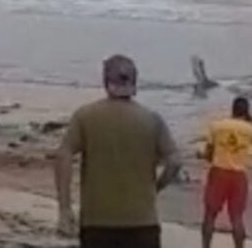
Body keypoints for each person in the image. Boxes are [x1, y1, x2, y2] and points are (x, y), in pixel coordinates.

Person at [54, 55, 181, 248]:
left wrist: (65, 208)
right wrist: (156, 187)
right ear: (134, 82)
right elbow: (174, 161)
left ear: (106, 82)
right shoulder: (152, 119)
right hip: (142, 222)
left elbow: (63, 155)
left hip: (97, 222)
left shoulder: (85, 116)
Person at [202, 96, 252, 248]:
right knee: (237, 218)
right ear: (247, 112)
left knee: (210, 215)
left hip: (219, 172)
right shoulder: (251, 129)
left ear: (232, 109)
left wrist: (206, 156)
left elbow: (209, 155)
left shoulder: (217, 126)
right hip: (238, 176)